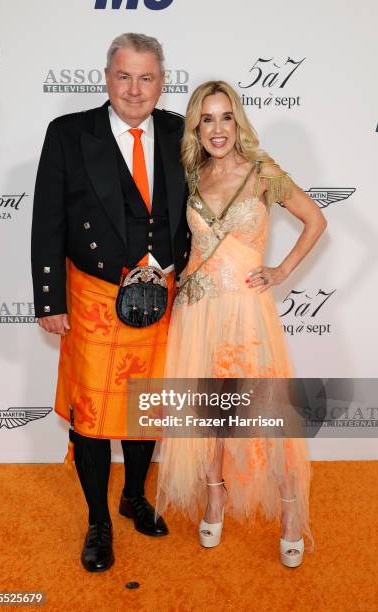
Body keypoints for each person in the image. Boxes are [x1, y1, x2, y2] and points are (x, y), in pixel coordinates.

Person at [31, 33, 190, 572]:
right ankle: (98, 518)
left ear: (161, 82)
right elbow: (47, 221)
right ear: (106, 77)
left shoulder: (179, 131)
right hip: (95, 294)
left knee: (146, 407)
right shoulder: (70, 134)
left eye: (147, 77)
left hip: (163, 293)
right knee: (94, 415)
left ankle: (134, 496)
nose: (135, 89)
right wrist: (50, 298)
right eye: (124, 76)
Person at [156, 81, 327, 568]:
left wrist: (281, 271)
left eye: (225, 117)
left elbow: (315, 220)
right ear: (196, 126)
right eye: (206, 119)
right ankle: (215, 498)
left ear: (238, 122)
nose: (216, 128)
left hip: (247, 314)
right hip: (197, 312)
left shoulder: (262, 171)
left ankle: (291, 513)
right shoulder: (193, 174)